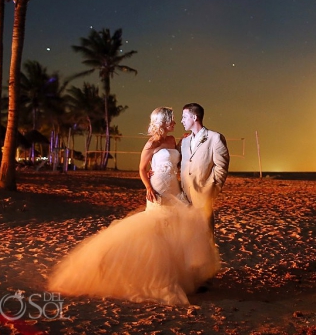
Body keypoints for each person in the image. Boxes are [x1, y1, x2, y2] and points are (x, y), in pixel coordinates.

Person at [47, 107, 221, 305]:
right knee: (157, 226)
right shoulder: (151, 143)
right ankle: (158, 275)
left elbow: (179, 159)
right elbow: (141, 168)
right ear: (163, 122)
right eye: (171, 119)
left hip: (173, 187)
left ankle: (180, 272)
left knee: (176, 226)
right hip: (158, 188)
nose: (174, 122)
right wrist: (147, 185)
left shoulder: (173, 141)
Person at [178, 103, 230, 230]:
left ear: (194, 117)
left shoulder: (215, 138)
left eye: (184, 117)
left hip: (203, 196)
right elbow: (176, 161)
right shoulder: (184, 141)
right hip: (184, 198)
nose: (181, 120)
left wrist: (211, 191)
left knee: (205, 237)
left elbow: (221, 167)